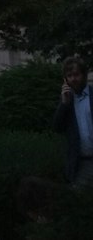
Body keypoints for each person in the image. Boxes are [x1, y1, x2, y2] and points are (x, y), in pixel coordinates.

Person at [53, 54, 93, 184]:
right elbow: (57, 127)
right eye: (69, 76)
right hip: (80, 163)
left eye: (76, 75)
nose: (73, 79)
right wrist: (64, 104)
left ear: (84, 75)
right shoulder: (66, 101)